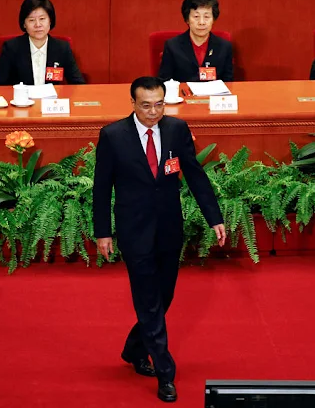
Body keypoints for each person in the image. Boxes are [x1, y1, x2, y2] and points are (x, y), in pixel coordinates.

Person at [92, 76, 226, 402]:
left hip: (169, 228)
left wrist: (214, 217)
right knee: (148, 300)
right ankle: (165, 372)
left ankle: (134, 349)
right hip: (133, 229)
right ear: (133, 104)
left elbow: (194, 173)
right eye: (146, 105)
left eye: (159, 104)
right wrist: (103, 232)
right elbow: (101, 188)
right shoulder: (113, 136)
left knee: (164, 297)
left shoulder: (177, 130)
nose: (154, 112)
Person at [0, 0, 85, 86]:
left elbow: (78, 84)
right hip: (23, 102)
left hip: (51, 102)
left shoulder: (62, 48)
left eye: (42, 19)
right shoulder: (11, 48)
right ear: (24, 24)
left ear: (50, 21)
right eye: (31, 20)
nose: (38, 25)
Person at [158, 0, 234, 82]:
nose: (201, 22)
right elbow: (164, 82)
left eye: (206, 17)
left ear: (213, 19)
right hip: (184, 95)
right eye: (196, 17)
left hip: (213, 96)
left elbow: (229, 83)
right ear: (187, 19)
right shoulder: (172, 46)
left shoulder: (224, 47)